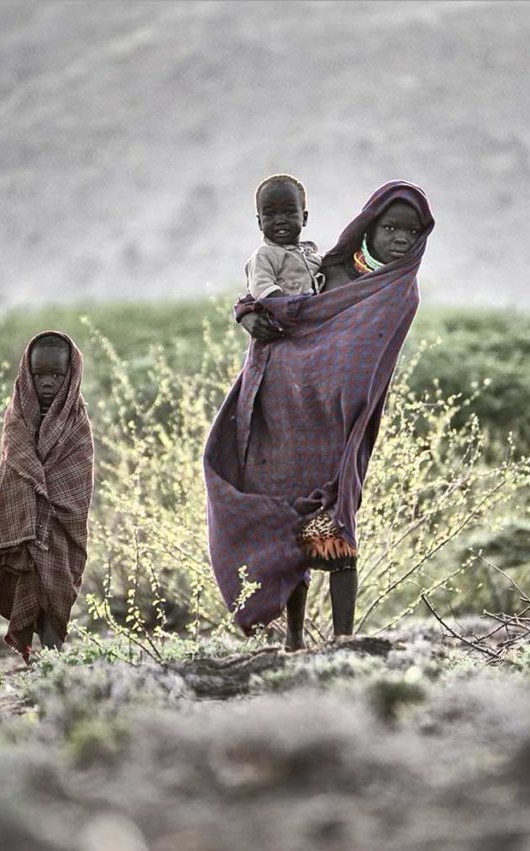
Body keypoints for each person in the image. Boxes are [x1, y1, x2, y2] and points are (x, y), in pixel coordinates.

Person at [205, 180, 434, 650]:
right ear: (369, 227)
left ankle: (344, 641)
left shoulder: (399, 293)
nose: (399, 239)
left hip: (342, 424)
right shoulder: (327, 267)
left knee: (336, 524)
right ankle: (293, 642)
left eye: (410, 233)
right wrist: (245, 312)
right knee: (293, 523)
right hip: (286, 413)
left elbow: (365, 355)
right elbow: (285, 305)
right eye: (390, 227)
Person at [0, 332, 94, 662]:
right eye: (39, 376)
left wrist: (50, 504)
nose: (47, 383)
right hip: (21, 523)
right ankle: (39, 659)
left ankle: (54, 660)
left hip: (62, 525)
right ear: (27, 374)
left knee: (55, 587)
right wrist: (34, 503)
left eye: (57, 375)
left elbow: (78, 478)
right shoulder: (17, 417)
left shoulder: (77, 422)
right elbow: (12, 465)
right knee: (24, 580)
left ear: (71, 374)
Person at [244, 173, 324, 302]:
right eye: (270, 214)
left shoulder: (310, 254)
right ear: (260, 223)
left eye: (289, 212)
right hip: (285, 317)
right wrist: (289, 304)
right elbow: (260, 287)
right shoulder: (265, 255)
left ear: (304, 218)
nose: (280, 220)